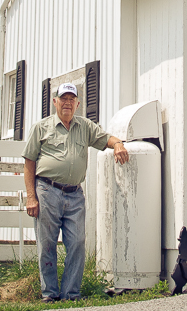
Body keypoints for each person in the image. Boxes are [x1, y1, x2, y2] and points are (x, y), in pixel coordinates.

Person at [23, 82, 129, 302]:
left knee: (77, 243)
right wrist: (31, 197)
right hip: (47, 191)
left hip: (74, 195)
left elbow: (105, 139)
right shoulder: (41, 128)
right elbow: (29, 162)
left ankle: (71, 294)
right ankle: (49, 294)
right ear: (55, 102)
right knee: (47, 245)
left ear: (78, 104)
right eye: (63, 99)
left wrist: (118, 144)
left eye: (72, 99)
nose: (67, 103)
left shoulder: (85, 126)